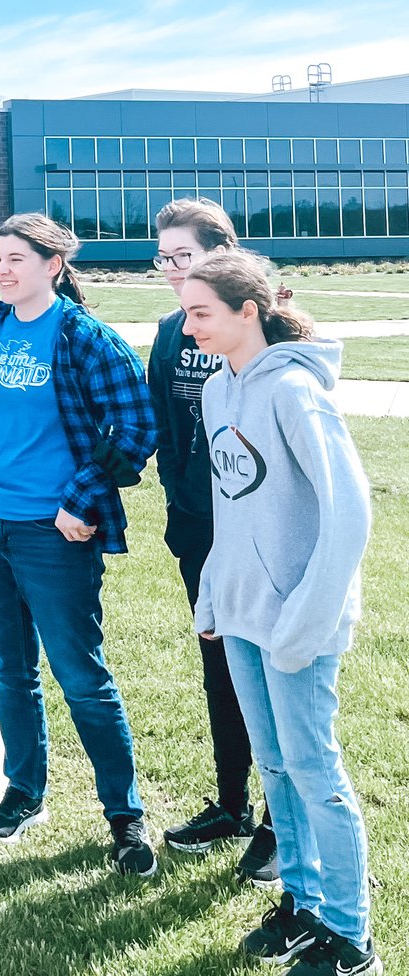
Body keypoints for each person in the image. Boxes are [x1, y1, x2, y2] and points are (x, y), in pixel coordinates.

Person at [0, 213, 159, 876]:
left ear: (53, 266)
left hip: (53, 532)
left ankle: (125, 819)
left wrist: (80, 501)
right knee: (10, 670)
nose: (2, 270)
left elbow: (137, 428)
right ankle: (24, 793)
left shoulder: (84, 337)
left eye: (17, 260)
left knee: (82, 679)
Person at [182, 251, 380, 975]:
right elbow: (231, 510)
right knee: (274, 766)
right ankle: (304, 904)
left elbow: (350, 511)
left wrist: (308, 617)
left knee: (314, 768)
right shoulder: (216, 392)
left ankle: (352, 936)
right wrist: (214, 592)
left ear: (248, 312)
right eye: (185, 310)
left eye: (202, 312)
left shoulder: (294, 390)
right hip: (242, 616)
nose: (189, 325)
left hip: (301, 623)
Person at [147, 199, 276, 883]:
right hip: (202, 535)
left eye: (183, 257)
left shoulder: (268, 328)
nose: (170, 271)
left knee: (272, 671)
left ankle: (279, 823)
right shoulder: (172, 333)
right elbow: (165, 431)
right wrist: (181, 510)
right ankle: (231, 804)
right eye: (163, 258)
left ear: (223, 255)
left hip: (262, 537)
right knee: (220, 664)